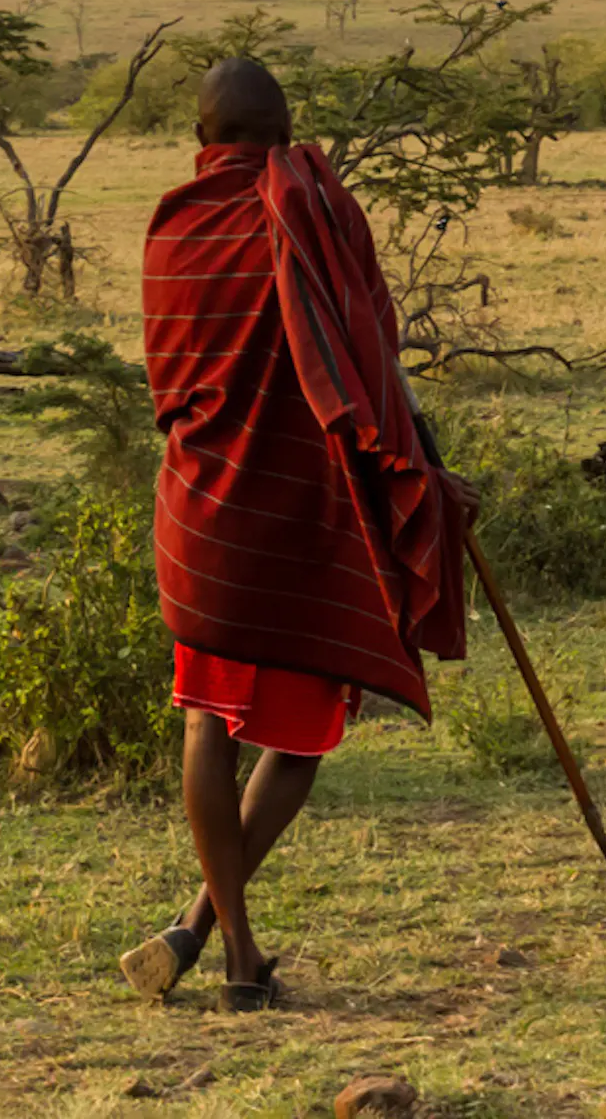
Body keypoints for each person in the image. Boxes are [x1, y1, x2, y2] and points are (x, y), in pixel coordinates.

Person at [117, 58, 473, 1010]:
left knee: (207, 717)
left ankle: (211, 935)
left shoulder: (173, 224)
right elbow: (365, 360)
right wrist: (421, 470)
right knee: (305, 736)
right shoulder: (308, 207)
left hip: (198, 511)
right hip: (293, 513)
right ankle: (230, 951)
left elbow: (167, 377)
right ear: (283, 133)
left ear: (202, 140)